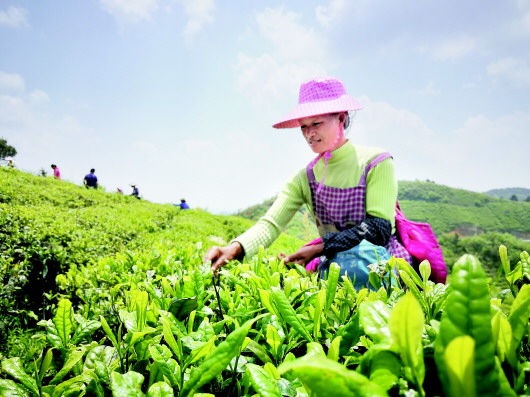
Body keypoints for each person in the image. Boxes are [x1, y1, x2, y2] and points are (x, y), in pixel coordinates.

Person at [204, 76, 412, 288]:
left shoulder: (375, 162)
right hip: (335, 268)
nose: (309, 134)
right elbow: (271, 224)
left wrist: (319, 247)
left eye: (316, 123)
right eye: (303, 127)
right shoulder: (305, 177)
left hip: (380, 265)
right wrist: (234, 248)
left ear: (341, 118)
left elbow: (378, 229)